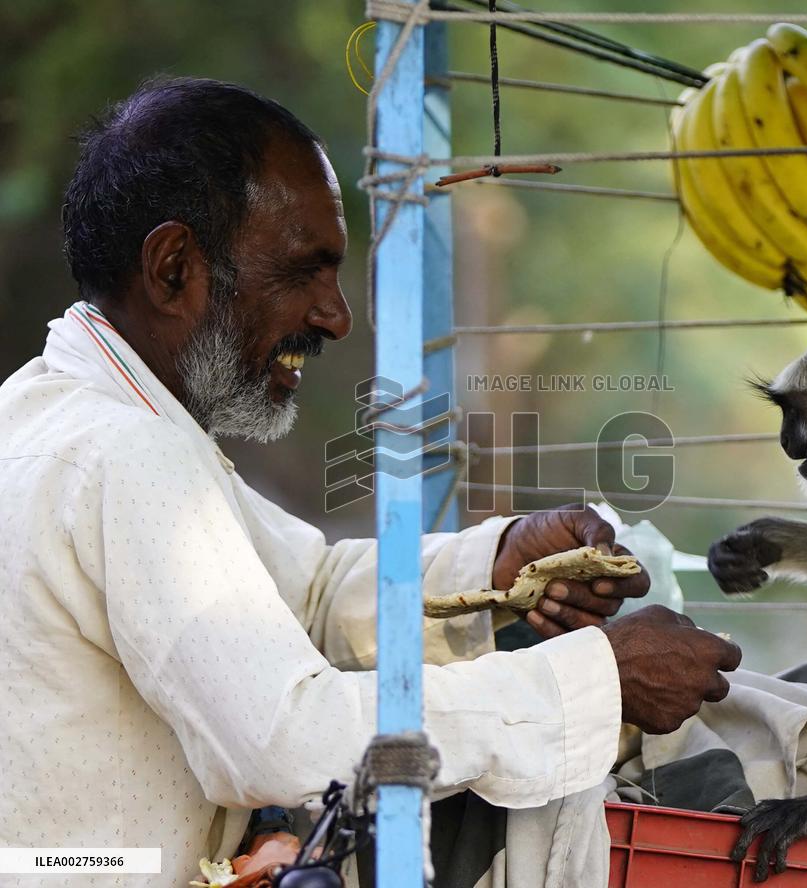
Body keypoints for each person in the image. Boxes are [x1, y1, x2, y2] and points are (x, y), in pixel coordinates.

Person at [0, 77, 741, 887]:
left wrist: (496, 567)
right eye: (303, 272)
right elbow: (284, 740)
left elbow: (304, 593)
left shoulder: (73, 416)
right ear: (176, 268)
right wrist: (597, 679)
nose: (335, 316)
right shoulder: (120, 454)